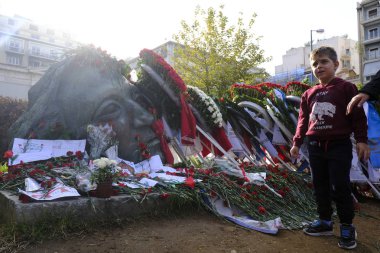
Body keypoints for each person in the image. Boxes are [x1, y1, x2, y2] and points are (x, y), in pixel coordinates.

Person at [290, 46, 370, 250]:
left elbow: (358, 116)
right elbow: (303, 120)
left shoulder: (346, 88)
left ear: (336, 64)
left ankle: (346, 226)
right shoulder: (309, 94)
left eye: (324, 62)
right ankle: (325, 221)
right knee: (319, 186)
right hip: (315, 147)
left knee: (340, 187)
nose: (319, 67)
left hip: (338, 146)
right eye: (315, 64)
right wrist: (297, 142)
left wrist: (361, 140)